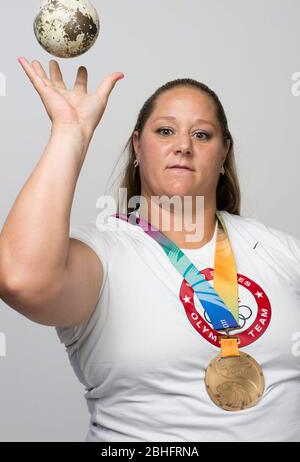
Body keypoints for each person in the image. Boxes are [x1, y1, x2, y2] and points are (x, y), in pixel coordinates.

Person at [0, 57, 299, 442]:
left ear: (224, 153)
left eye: (202, 135)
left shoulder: (279, 251)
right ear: (137, 146)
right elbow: (20, 279)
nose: (183, 147)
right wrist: (70, 132)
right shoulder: (105, 254)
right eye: (165, 131)